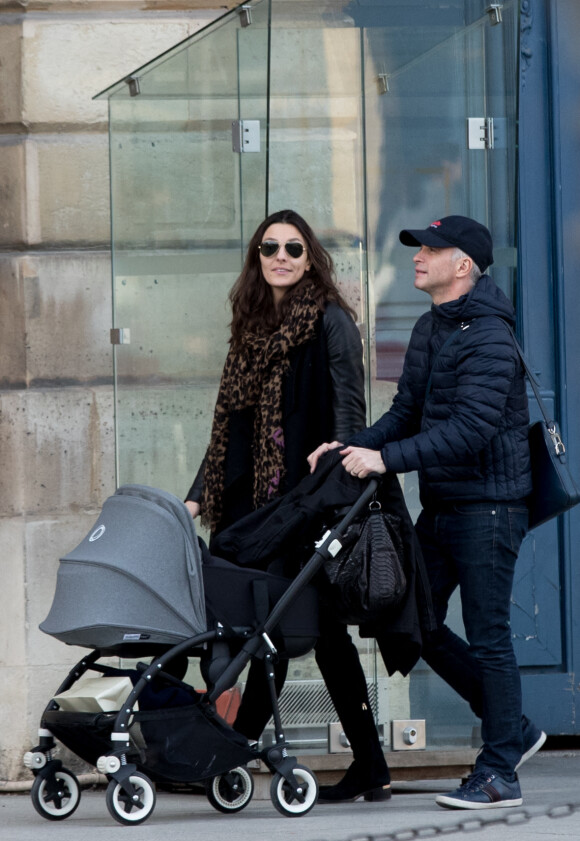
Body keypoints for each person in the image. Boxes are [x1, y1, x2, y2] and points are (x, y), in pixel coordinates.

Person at [308, 215, 546, 809]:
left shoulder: (488, 335)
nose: (419, 256)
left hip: (490, 509)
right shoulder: (431, 327)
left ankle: (499, 774)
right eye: (419, 247)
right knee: (416, 622)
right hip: (443, 505)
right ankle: (512, 727)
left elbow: (469, 431)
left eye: (432, 249)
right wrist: (350, 446)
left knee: (489, 637)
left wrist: (384, 461)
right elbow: (406, 412)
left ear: (462, 265)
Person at [185, 209, 392, 803]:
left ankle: (229, 753)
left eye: (294, 249)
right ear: (257, 257)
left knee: (280, 628)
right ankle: (370, 768)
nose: (281, 257)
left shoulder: (330, 321)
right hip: (257, 508)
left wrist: (339, 471)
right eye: (270, 247)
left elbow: (350, 410)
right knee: (312, 634)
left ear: (310, 259)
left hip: (308, 504)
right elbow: (228, 431)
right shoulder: (250, 327)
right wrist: (198, 495)